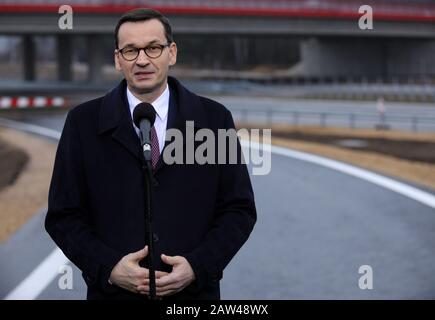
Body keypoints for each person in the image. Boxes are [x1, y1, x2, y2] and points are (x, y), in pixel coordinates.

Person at [45, 8, 256, 300]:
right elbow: (63, 215)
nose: (142, 60)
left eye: (153, 48)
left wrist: (197, 266)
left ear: (172, 52)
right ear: (118, 59)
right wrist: (109, 267)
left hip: (194, 298)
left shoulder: (214, 119)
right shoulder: (82, 123)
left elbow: (239, 209)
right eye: (130, 50)